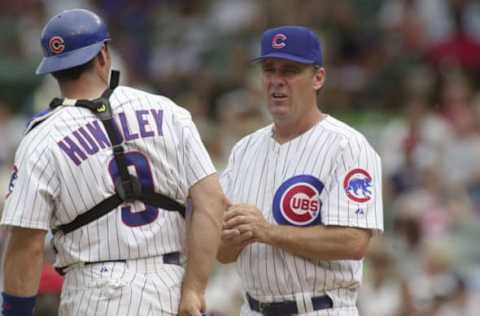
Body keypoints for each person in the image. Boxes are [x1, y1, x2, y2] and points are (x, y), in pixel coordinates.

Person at [1, 9, 226, 316]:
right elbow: (210, 202)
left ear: (53, 70)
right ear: (103, 56)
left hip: (96, 293)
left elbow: (26, 244)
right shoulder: (169, 111)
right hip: (171, 284)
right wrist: (195, 289)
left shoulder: (42, 138)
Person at [218, 25, 384, 316]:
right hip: (252, 308)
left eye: (290, 71)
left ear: (318, 77)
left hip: (319, 308)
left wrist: (267, 231)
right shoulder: (243, 150)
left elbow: (354, 241)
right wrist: (229, 241)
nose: (276, 81)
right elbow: (221, 253)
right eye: (269, 70)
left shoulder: (347, 146)